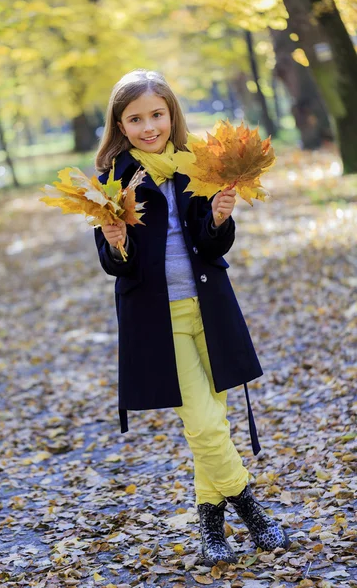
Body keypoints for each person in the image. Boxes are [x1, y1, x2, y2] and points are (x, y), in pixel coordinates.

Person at [93, 69, 288, 565]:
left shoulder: (197, 165)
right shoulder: (113, 180)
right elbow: (118, 264)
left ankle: (211, 529)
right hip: (160, 320)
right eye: (135, 119)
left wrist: (220, 216)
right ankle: (253, 512)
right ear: (120, 124)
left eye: (157, 114)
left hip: (211, 309)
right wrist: (117, 245)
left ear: (171, 114)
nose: (149, 126)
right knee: (202, 425)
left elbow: (209, 241)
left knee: (213, 422)